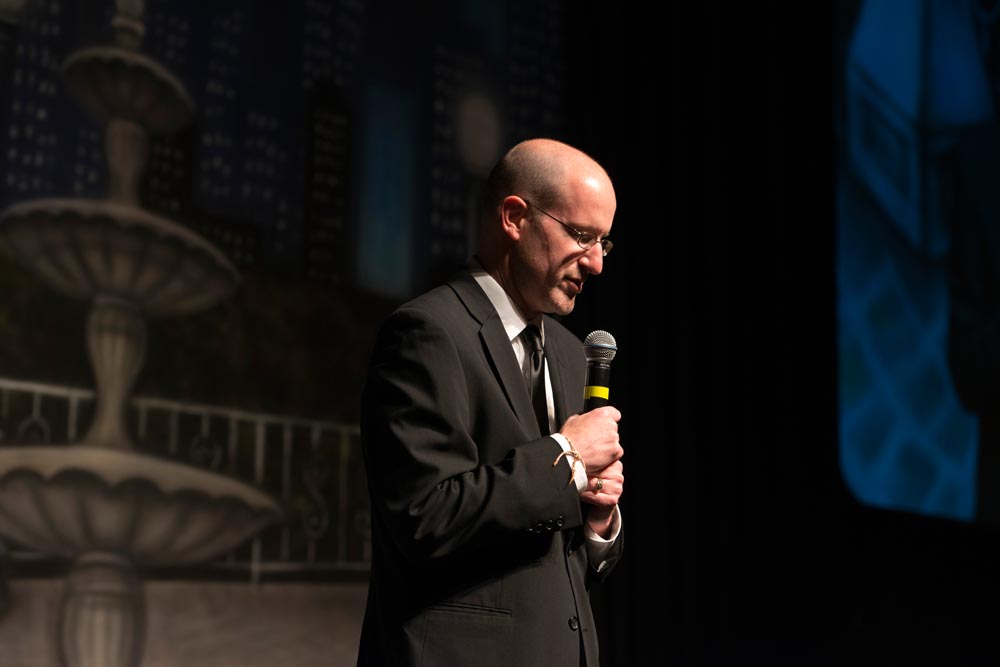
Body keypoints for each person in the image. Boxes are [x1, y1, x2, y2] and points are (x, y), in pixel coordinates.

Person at [356, 138, 625, 666]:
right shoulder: (427, 333)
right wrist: (566, 456)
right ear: (514, 217)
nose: (596, 263)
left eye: (604, 243)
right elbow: (425, 518)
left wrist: (597, 523)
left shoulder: (570, 354)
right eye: (581, 236)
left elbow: (556, 557)